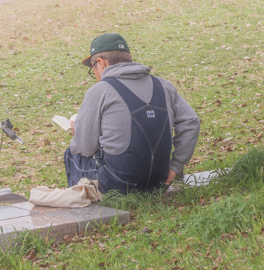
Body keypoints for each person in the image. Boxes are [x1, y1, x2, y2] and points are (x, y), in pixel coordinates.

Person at [63, 33, 200, 193]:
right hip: (159, 180)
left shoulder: (100, 90)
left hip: (118, 185)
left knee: (71, 154)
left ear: (101, 63)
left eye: (93, 68)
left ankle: (84, 202)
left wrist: (78, 131)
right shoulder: (164, 86)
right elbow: (191, 122)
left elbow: (84, 148)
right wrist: (175, 166)